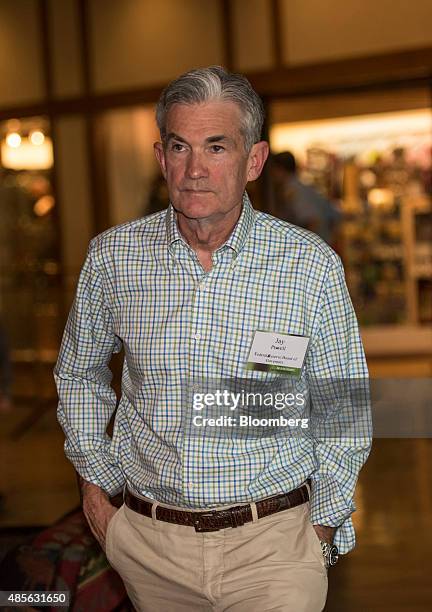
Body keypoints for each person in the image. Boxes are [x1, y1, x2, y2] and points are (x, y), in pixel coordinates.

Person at [54, 66, 371, 612]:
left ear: (254, 161)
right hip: (151, 550)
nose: (195, 169)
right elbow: (78, 373)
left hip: (274, 547)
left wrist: (320, 527)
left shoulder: (307, 266)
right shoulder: (114, 258)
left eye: (216, 147)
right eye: (180, 147)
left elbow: (342, 407)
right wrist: (98, 485)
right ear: (161, 158)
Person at [270, 151, 341, 245]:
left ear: (280, 169)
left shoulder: (294, 191)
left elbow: (313, 221)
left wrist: (300, 247)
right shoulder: (299, 186)